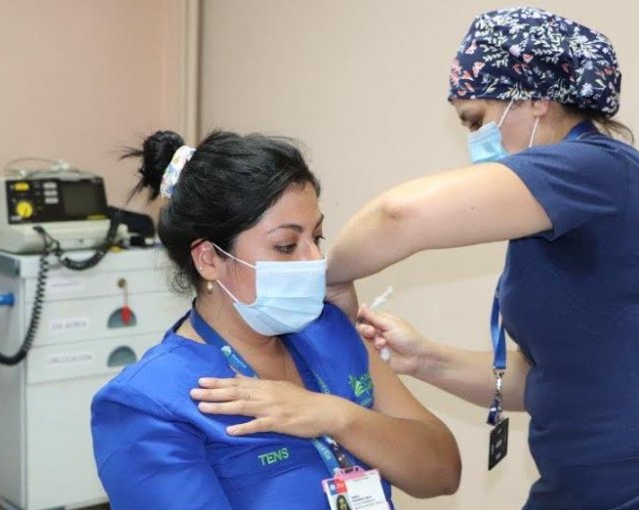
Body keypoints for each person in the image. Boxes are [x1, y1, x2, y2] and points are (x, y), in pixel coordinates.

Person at [326, 6, 639, 510]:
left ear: (533, 98)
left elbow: (398, 215)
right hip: (595, 482)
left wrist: (328, 277)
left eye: (477, 120)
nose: (474, 142)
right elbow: (547, 379)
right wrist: (423, 358)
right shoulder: (553, 213)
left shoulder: (595, 168)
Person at [90, 130, 460, 509]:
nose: (314, 260)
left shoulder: (330, 330)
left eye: (317, 237)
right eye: (286, 246)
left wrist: (335, 415)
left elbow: (443, 471)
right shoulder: (148, 403)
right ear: (209, 259)